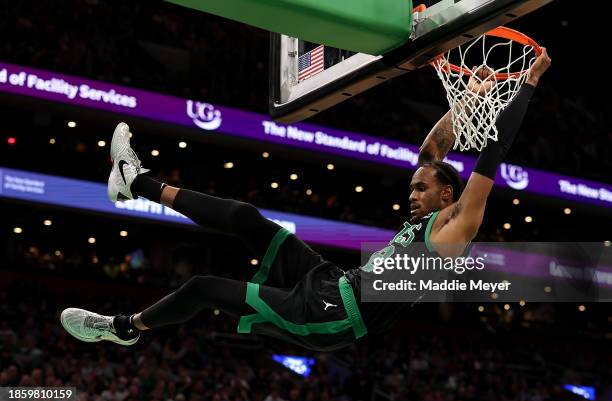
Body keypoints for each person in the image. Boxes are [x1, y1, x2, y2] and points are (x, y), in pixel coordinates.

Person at [60, 50, 551, 351]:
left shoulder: (456, 229)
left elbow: (493, 153)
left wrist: (525, 86)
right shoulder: (427, 212)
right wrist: (470, 98)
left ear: (450, 194)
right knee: (246, 218)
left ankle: (124, 328)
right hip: (336, 283)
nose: (412, 194)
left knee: (204, 287)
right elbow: (432, 150)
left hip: (334, 316)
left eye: (421, 189)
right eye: (411, 187)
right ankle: (136, 181)